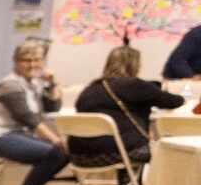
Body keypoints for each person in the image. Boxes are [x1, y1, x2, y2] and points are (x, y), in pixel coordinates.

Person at [0, 42, 73, 185]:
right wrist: (55, 139)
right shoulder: (9, 85)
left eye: (37, 60)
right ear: (15, 62)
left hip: (17, 135)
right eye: (26, 60)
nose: (32, 65)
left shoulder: (35, 83)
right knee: (55, 151)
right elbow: (27, 118)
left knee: (63, 152)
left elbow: (53, 107)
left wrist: (52, 84)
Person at [70, 42, 185, 175]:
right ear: (134, 64)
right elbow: (174, 101)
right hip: (118, 152)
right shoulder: (135, 85)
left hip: (79, 156)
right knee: (167, 151)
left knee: (125, 139)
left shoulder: (90, 89)